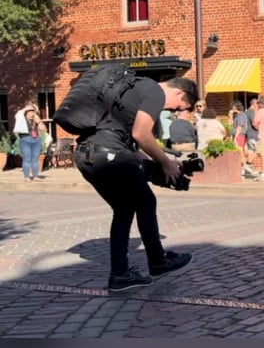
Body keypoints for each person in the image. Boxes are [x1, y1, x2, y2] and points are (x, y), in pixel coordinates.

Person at [73, 75, 198, 292]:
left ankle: (120, 275)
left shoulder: (132, 90)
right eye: (178, 107)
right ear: (180, 93)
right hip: (110, 155)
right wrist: (165, 162)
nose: (172, 111)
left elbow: (127, 144)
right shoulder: (155, 91)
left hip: (87, 156)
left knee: (124, 209)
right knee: (146, 202)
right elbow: (141, 133)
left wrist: (157, 162)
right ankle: (158, 262)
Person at [13, 103, 47, 181]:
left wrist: (40, 122)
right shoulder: (21, 118)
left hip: (36, 140)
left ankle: (36, 176)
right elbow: (18, 113)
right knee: (27, 158)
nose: (32, 113)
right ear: (26, 112)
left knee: (35, 159)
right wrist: (27, 107)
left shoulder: (35, 120)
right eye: (30, 111)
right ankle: (27, 177)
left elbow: (43, 129)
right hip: (25, 139)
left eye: (33, 111)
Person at [243, 97, 260, 177]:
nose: (258, 106)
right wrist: (260, 128)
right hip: (254, 134)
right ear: (254, 104)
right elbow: (254, 123)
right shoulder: (251, 111)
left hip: (249, 135)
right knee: (259, 151)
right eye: (257, 104)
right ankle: (248, 164)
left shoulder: (247, 112)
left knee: (251, 151)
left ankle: (248, 169)